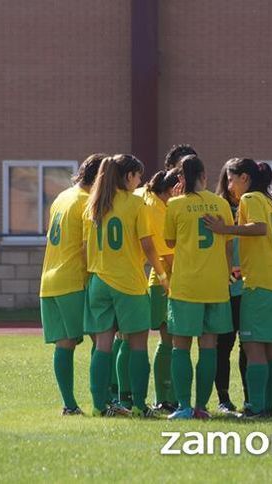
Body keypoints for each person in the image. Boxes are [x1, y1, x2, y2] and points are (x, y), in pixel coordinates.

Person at [204, 158, 272, 418]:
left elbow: (259, 229)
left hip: (262, 283)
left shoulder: (250, 198)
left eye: (231, 179)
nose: (229, 185)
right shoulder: (267, 200)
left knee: (253, 345)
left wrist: (224, 228)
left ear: (245, 178)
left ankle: (255, 407)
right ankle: (268, 406)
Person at [83, 154, 169, 418]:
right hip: (127, 282)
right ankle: (140, 405)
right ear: (128, 176)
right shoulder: (135, 204)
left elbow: (87, 246)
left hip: (98, 280)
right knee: (138, 344)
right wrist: (162, 274)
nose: (140, 181)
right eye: (138, 176)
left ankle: (100, 404)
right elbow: (147, 245)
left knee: (103, 345)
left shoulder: (95, 203)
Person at [164, 154, 235, 420]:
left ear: (181, 178)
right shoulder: (221, 204)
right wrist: (225, 274)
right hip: (216, 285)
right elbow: (229, 244)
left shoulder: (175, 205)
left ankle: (183, 406)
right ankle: (201, 407)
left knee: (180, 346)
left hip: (186, 285)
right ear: (204, 175)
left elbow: (170, 242)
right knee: (209, 346)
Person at [39, 153, 106, 416]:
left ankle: (69, 405)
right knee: (101, 338)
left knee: (64, 343)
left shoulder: (62, 197)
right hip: (73, 280)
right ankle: (104, 399)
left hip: (49, 279)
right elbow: (86, 246)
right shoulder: (88, 201)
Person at [134, 169, 182, 413]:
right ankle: (165, 396)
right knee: (170, 340)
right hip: (164, 281)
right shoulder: (157, 207)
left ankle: (156, 396)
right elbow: (167, 255)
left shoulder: (145, 195)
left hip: (154, 278)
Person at [212, 162, 248, 415]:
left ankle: (250, 398)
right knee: (222, 345)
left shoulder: (254, 205)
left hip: (248, 287)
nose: (231, 185)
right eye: (228, 179)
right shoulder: (218, 207)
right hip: (224, 287)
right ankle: (223, 398)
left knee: (248, 346)